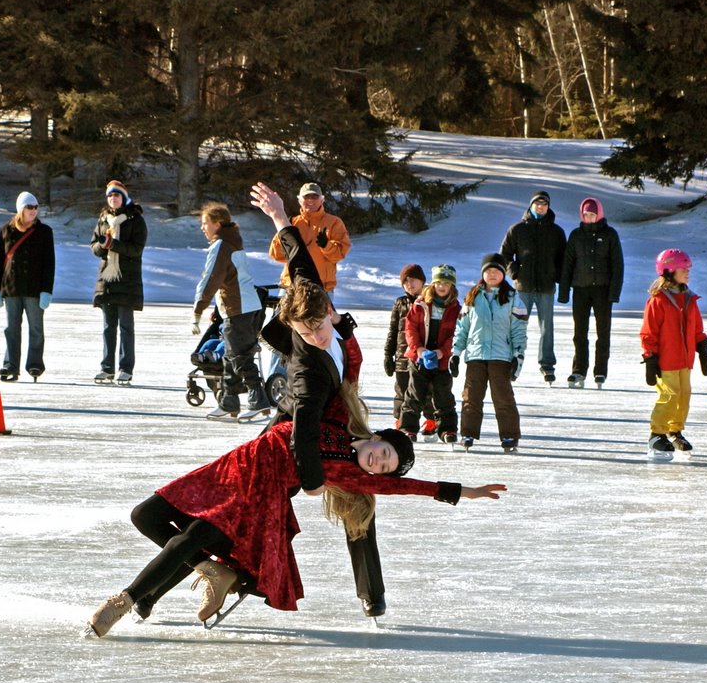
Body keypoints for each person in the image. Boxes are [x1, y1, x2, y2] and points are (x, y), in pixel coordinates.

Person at [86, 379, 506, 638]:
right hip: (228, 469)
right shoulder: (337, 417)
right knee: (146, 515)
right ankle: (209, 568)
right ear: (376, 438)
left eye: (386, 468)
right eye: (383, 453)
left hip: (256, 496)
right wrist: (335, 325)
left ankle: (122, 602)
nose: (379, 463)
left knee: (191, 537)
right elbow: (331, 369)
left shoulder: (350, 472)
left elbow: (413, 488)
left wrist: (462, 491)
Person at [252, 182, 388, 621]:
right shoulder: (306, 340)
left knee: (360, 502)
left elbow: (302, 260)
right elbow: (294, 261)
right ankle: (238, 569)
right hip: (295, 417)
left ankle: (372, 593)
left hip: (342, 423)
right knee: (256, 486)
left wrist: (278, 218)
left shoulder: (335, 327)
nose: (325, 319)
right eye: (316, 319)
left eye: (329, 313)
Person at [263, 181, 352, 381]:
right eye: (306, 197)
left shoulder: (334, 223)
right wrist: (281, 231)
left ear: (322, 199)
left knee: (322, 335)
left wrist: (326, 245)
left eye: (314, 197)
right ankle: (276, 378)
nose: (310, 201)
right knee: (283, 332)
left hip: (321, 289)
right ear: (299, 200)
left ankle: (323, 374)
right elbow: (276, 254)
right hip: (291, 288)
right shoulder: (293, 223)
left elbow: (340, 253)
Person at [192, 202, 272, 421]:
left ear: (217, 224)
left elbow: (210, 279)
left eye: (205, 223)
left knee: (240, 358)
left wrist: (198, 309)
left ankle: (258, 401)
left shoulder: (221, 245)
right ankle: (229, 401)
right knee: (230, 357)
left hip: (240, 310)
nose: (203, 228)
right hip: (241, 308)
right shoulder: (232, 242)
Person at [451, 253, 528, 452]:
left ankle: (510, 436)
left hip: (500, 356)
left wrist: (518, 355)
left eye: (496, 271)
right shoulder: (472, 297)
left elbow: (519, 330)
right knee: (471, 397)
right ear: (483, 274)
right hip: (476, 355)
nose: (492, 274)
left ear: (503, 274)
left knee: (503, 398)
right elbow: (462, 327)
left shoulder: (513, 298)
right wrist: (456, 352)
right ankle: (467, 432)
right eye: (488, 271)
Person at [639, 249, 707, 462]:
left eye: (688, 269)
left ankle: (675, 431)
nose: (688, 273)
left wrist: (702, 350)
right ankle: (656, 434)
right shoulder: (658, 300)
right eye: (683, 269)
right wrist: (650, 358)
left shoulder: (689, 298)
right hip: (665, 361)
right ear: (669, 271)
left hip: (684, 360)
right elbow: (648, 332)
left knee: (683, 395)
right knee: (669, 396)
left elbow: (697, 327)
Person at [499, 190, 566, 384]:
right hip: (523, 287)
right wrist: (514, 272)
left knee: (547, 328)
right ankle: (510, 361)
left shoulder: (556, 232)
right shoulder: (518, 229)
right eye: (537, 203)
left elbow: (563, 259)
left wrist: (558, 278)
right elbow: (505, 254)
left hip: (546, 287)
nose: (541, 207)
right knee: (517, 326)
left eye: (544, 204)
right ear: (531, 206)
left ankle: (547, 365)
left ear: (548, 207)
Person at [558, 197, 625, 389]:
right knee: (580, 332)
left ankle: (600, 370)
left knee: (603, 332)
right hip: (580, 290)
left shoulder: (610, 234)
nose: (589, 218)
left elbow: (617, 265)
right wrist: (564, 292)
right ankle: (579, 369)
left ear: (599, 214)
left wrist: (614, 292)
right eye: (586, 214)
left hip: (603, 291)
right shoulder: (576, 235)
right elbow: (568, 265)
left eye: (592, 214)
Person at [0, 191, 55, 382]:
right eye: (29, 207)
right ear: (20, 209)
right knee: (11, 328)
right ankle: (10, 365)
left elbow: (49, 263)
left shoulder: (44, 232)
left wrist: (47, 290)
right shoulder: (5, 230)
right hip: (11, 288)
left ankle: (35, 364)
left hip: (35, 289)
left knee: (36, 328)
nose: (33, 211)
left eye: (36, 207)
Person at [91, 180, 146, 385]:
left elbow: (136, 249)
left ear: (124, 198)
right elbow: (94, 247)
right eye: (110, 196)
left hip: (127, 279)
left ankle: (125, 368)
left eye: (117, 195)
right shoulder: (103, 219)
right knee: (108, 326)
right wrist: (102, 246)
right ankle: (107, 368)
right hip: (107, 280)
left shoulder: (135, 219)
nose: (113, 199)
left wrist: (113, 244)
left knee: (125, 326)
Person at [401, 265, 461, 445]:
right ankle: (408, 428)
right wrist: (418, 349)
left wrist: (443, 351)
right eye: (438, 283)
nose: (442, 287)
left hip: (442, 359)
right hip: (420, 357)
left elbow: (457, 333)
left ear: (452, 286)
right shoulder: (420, 304)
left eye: (446, 283)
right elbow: (410, 328)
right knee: (414, 394)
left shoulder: (456, 308)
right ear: (433, 284)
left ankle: (447, 428)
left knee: (443, 394)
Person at [383, 264, 426, 430]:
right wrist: (388, 355)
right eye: (406, 281)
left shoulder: (427, 301)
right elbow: (393, 331)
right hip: (402, 357)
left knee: (426, 391)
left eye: (413, 280)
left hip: (422, 356)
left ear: (422, 281)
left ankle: (429, 420)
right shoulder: (400, 303)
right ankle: (400, 420)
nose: (410, 284)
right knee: (402, 391)